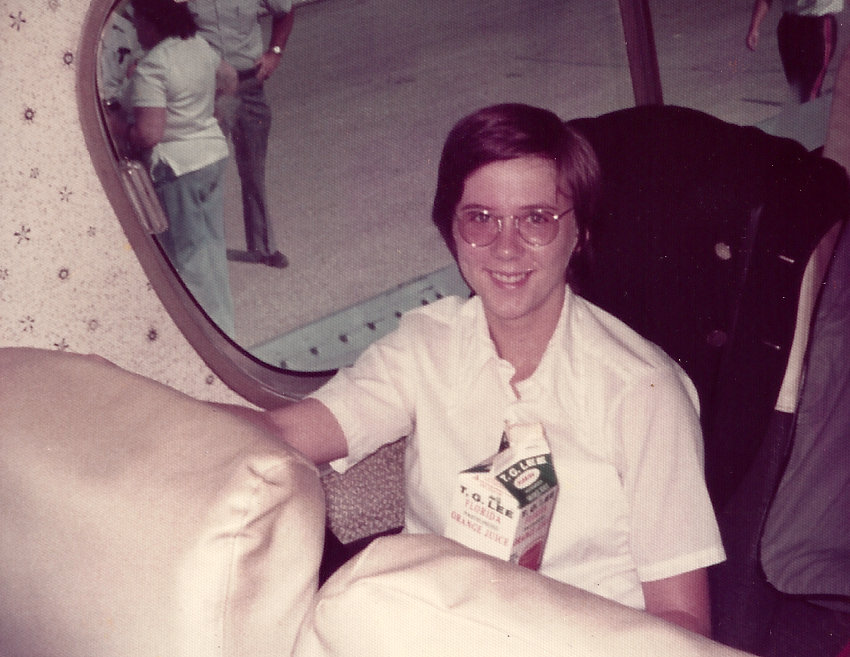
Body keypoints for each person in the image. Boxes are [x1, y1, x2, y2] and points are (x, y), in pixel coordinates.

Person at [236, 104, 726, 636]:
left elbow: (683, 624)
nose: (506, 247)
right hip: (432, 631)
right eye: (481, 218)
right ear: (452, 228)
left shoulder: (643, 391)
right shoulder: (426, 346)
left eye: (536, 219)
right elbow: (286, 432)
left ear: (580, 231)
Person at [113, 0, 238, 337]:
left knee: (187, 260)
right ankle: (225, 328)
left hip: (178, 169)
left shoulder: (154, 66)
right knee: (211, 249)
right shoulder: (197, 45)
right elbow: (230, 78)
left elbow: (149, 134)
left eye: (138, 22)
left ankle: (206, 338)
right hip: (211, 155)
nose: (136, 29)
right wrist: (207, 112)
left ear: (153, 23)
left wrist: (118, 125)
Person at [186, 0, 294, 269]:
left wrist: (275, 52)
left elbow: (285, 10)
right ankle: (205, 250)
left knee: (254, 168)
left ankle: (263, 246)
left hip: (249, 86)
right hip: (209, 91)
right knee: (207, 171)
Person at [746, 0, 844, 103]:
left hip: (819, 23)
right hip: (790, 24)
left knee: (810, 91)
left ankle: (810, 111)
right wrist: (754, 27)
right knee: (796, 89)